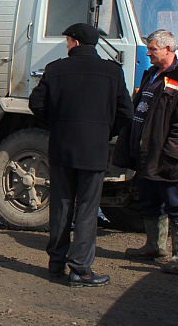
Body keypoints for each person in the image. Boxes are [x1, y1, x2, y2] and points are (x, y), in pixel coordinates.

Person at [29, 23, 133, 287]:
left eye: (66, 40)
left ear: (74, 42)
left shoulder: (56, 69)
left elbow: (36, 104)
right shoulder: (112, 72)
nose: (66, 44)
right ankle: (81, 270)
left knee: (61, 205)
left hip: (62, 147)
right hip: (94, 150)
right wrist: (105, 133)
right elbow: (126, 113)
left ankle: (55, 265)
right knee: (87, 209)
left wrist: (56, 125)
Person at [112, 29, 178, 275]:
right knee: (150, 203)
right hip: (146, 155)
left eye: (152, 49)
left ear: (168, 50)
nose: (148, 53)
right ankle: (155, 246)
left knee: (177, 204)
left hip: (167, 159)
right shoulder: (152, 74)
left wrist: (170, 156)